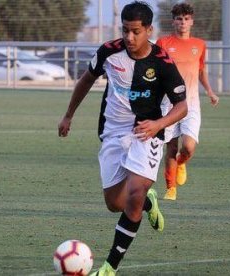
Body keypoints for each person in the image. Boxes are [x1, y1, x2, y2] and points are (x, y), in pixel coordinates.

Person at [58, 1, 188, 274]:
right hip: (113, 133)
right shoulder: (108, 51)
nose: (129, 37)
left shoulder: (162, 63)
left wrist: (158, 124)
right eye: (125, 30)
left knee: (134, 195)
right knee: (114, 203)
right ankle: (149, 201)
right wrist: (69, 115)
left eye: (136, 31)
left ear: (149, 30)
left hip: (147, 132)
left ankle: (109, 267)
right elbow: (86, 80)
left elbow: (182, 106)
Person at [156, 2, 219, 200]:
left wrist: (210, 91)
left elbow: (201, 71)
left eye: (186, 19)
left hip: (191, 104)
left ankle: (182, 163)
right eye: (178, 19)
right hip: (168, 104)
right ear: (173, 21)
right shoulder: (163, 43)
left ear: (191, 21)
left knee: (188, 146)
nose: (182, 22)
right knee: (171, 147)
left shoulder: (199, 45)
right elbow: (156, 72)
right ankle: (170, 188)